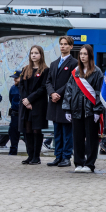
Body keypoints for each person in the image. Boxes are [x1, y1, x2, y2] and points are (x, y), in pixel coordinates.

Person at [63, 44, 104, 174]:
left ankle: (90, 164)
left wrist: (97, 110)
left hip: (90, 111)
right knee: (78, 137)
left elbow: (99, 93)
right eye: (81, 54)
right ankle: (79, 162)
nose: (82, 56)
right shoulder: (75, 72)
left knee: (91, 139)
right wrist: (67, 109)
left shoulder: (97, 72)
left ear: (90, 55)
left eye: (85, 54)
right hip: (76, 109)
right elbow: (68, 91)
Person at [44, 36, 79, 168]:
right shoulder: (54, 63)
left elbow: (72, 81)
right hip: (54, 102)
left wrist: (58, 93)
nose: (63, 46)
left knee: (67, 132)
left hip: (66, 102)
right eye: (61, 44)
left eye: (65, 44)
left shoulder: (74, 63)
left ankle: (66, 157)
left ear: (71, 46)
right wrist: (52, 93)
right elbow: (48, 81)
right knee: (57, 131)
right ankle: (57, 156)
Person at [19, 45, 49, 165]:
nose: (34, 55)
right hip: (26, 105)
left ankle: (36, 157)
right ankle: (30, 155)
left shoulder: (45, 70)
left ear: (41, 55)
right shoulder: (25, 69)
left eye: (36, 53)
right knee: (27, 130)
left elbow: (43, 88)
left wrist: (30, 100)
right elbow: (21, 86)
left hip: (38, 105)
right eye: (32, 53)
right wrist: (25, 101)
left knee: (36, 130)